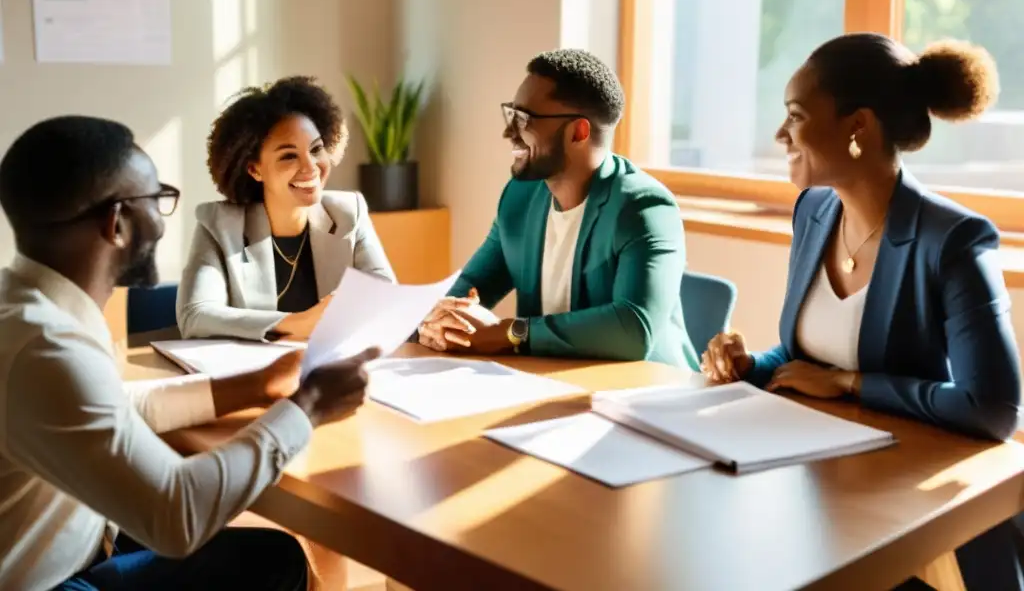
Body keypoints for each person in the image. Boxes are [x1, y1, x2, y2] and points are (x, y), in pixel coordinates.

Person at [0, 116, 379, 590]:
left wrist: (252, 386)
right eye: (156, 200)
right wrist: (309, 408)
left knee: (268, 557)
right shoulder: (46, 348)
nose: (161, 222)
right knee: (273, 563)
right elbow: (176, 515)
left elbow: (112, 408)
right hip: (50, 580)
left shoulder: (32, 308)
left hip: (84, 541)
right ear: (117, 223)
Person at [701, 34, 1022, 591]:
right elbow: (808, 358)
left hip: (915, 513)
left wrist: (850, 384)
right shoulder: (814, 210)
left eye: (795, 117)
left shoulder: (954, 240)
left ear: (858, 127)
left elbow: (994, 408)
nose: (781, 135)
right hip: (818, 485)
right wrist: (751, 364)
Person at [417, 48, 696, 368]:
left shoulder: (644, 208)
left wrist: (512, 332)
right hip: (555, 385)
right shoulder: (520, 197)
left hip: (648, 399)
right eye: (511, 114)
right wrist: (441, 321)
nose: (509, 132)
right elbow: (470, 288)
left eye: (524, 119)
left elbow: (632, 329)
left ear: (578, 131)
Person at [177, 76, 395, 342]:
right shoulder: (220, 225)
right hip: (255, 376)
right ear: (255, 169)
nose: (310, 167)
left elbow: (387, 301)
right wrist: (298, 324)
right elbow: (195, 316)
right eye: (289, 155)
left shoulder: (349, 213)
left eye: (316, 149)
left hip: (332, 371)